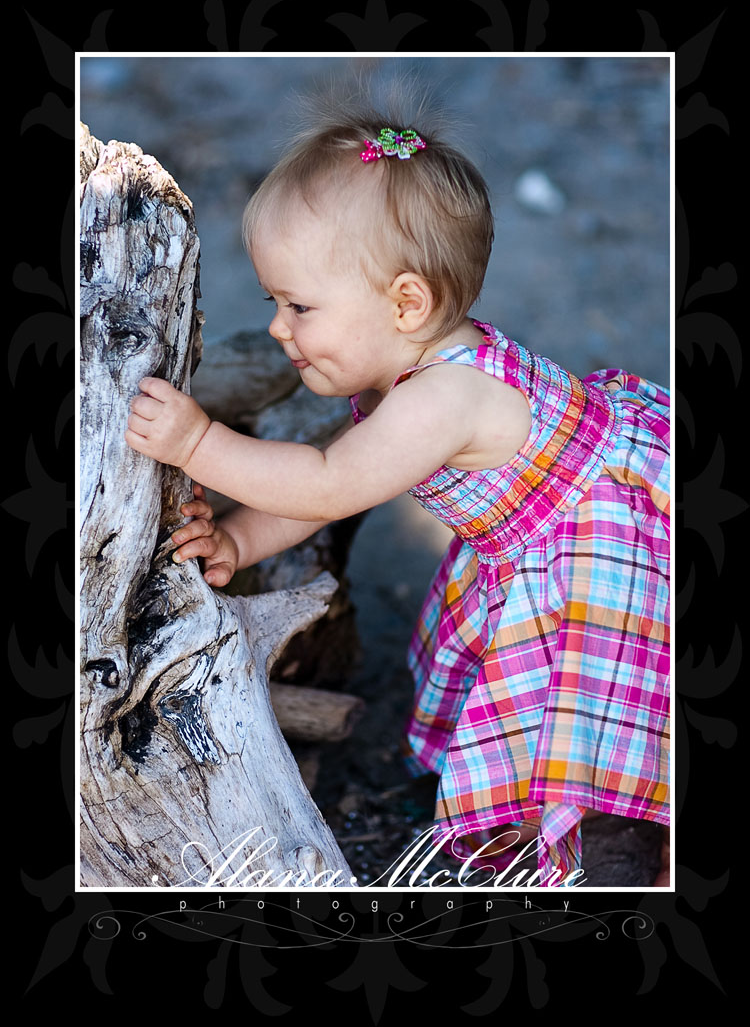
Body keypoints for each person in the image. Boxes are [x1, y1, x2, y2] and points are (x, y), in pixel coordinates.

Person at [125, 93, 670, 887]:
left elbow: (330, 482)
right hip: (548, 526)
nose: (278, 328)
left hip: (599, 545)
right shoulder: (421, 370)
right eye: (279, 303)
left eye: (299, 306)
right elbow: (339, 470)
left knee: (612, 696)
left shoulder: (443, 398)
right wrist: (240, 540)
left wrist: (199, 442)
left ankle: (630, 836)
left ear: (406, 302)